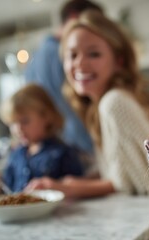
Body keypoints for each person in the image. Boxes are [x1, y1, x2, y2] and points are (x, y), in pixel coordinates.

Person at [24, 10, 149, 198]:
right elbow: (119, 174)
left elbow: (147, 185)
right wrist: (65, 184)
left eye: (93, 54)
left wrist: (68, 189)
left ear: (119, 61)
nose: (80, 64)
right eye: (72, 55)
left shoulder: (114, 103)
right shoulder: (98, 107)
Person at [24, 0, 104, 155]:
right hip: (82, 145)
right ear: (74, 17)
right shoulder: (65, 55)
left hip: (52, 149)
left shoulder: (33, 61)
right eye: (93, 23)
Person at [0, 84, 85, 198]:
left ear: (46, 116)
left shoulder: (63, 153)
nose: (18, 129)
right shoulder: (15, 155)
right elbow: (10, 193)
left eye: (25, 121)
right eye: (13, 123)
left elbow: (76, 191)